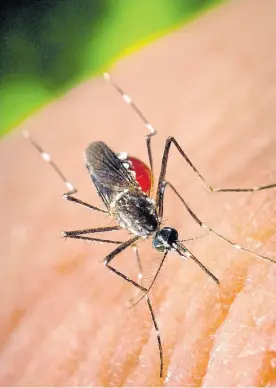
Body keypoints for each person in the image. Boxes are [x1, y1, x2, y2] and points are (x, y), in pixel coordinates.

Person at [1, 0, 275, 385]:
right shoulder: (130, 230)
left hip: (131, 182)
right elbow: (112, 261)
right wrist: (145, 289)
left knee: (161, 141)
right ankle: (44, 153)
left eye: (168, 238)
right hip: (115, 198)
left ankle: (218, 187)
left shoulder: (153, 216)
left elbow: (164, 184)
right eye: (170, 240)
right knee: (82, 218)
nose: (172, 241)